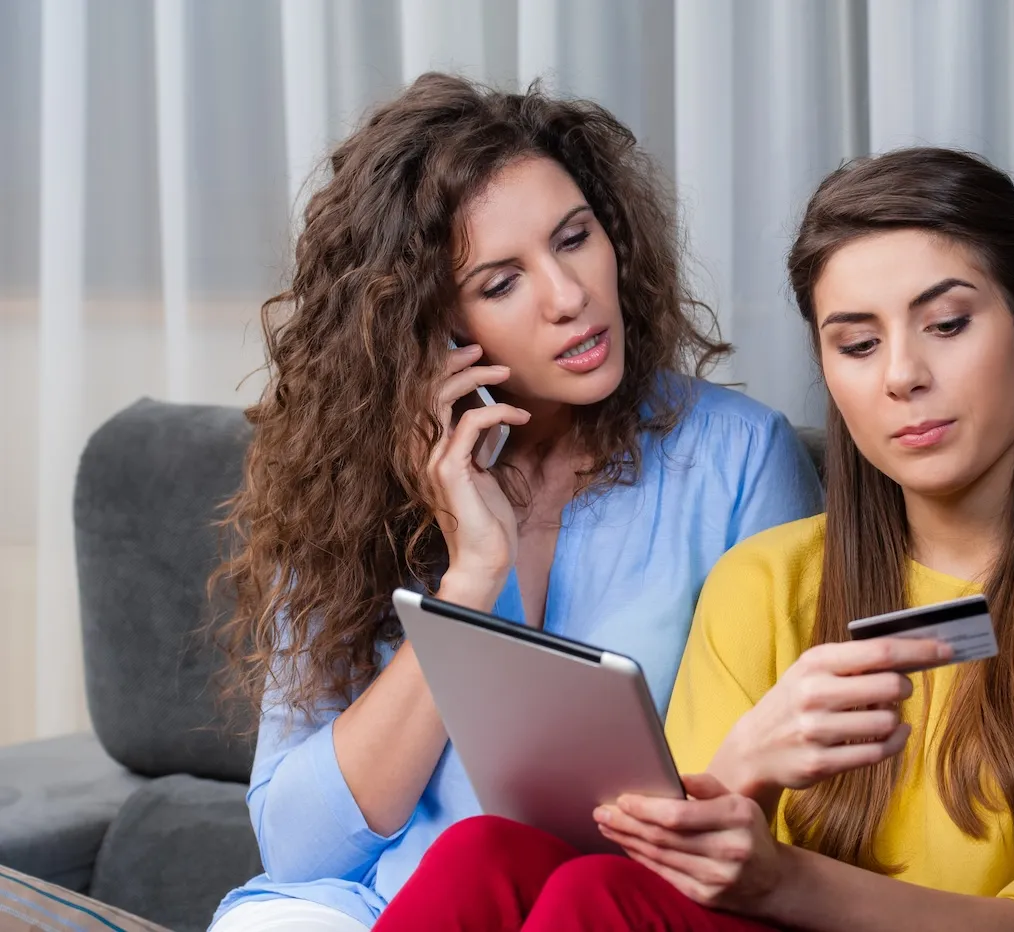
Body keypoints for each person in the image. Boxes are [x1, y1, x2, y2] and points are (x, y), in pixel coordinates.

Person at [372, 148, 1014, 931]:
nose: (903, 375)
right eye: (857, 345)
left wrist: (786, 877)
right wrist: (742, 763)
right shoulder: (767, 581)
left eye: (946, 324)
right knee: (486, 853)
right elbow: (664, 866)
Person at [206, 73, 822, 932]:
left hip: (615, 906)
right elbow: (298, 847)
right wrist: (469, 578)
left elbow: (788, 791)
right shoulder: (351, 488)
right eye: (501, 284)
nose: (568, 296)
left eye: (575, 238)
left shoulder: (738, 458)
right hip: (387, 905)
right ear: (429, 324)